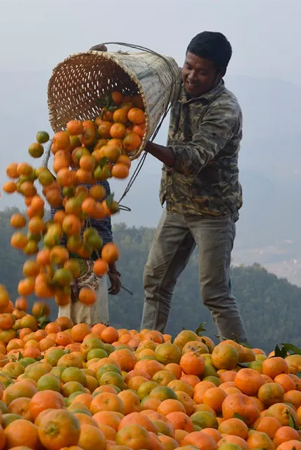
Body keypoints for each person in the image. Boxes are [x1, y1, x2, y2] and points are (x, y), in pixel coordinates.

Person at [98, 32, 247, 342]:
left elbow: (192, 159)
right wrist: (104, 59)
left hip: (212, 211)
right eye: (188, 66)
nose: (191, 76)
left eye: (202, 71)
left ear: (220, 74)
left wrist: (143, 143)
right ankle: (147, 349)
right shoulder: (177, 81)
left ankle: (242, 364)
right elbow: (138, 77)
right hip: (177, 203)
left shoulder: (224, 109)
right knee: (155, 280)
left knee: (215, 292)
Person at [51, 180, 122, 325]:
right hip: (71, 266)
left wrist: (113, 269)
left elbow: (105, 229)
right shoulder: (62, 182)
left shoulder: (102, 183)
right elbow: (57, 234)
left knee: (96, 328)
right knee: (69, 330)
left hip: (97, 266)